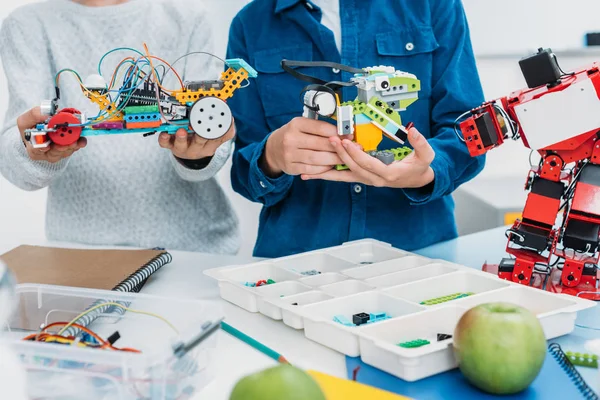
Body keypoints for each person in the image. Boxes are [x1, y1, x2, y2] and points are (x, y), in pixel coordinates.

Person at [227, 0, 485, 258]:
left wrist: (428, 171)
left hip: (418, 256)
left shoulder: (435, 6)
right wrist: (271, 156)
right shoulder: (250, 24)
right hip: (298, 264)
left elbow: (468, 132)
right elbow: (243, 171)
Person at [0, 0, 239, 253]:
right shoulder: (26, 24)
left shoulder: (189, 17)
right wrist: (34, 152)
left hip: (194, 252)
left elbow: (217, 147)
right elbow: (16, 158)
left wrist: (197, 157)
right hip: (82, 255)